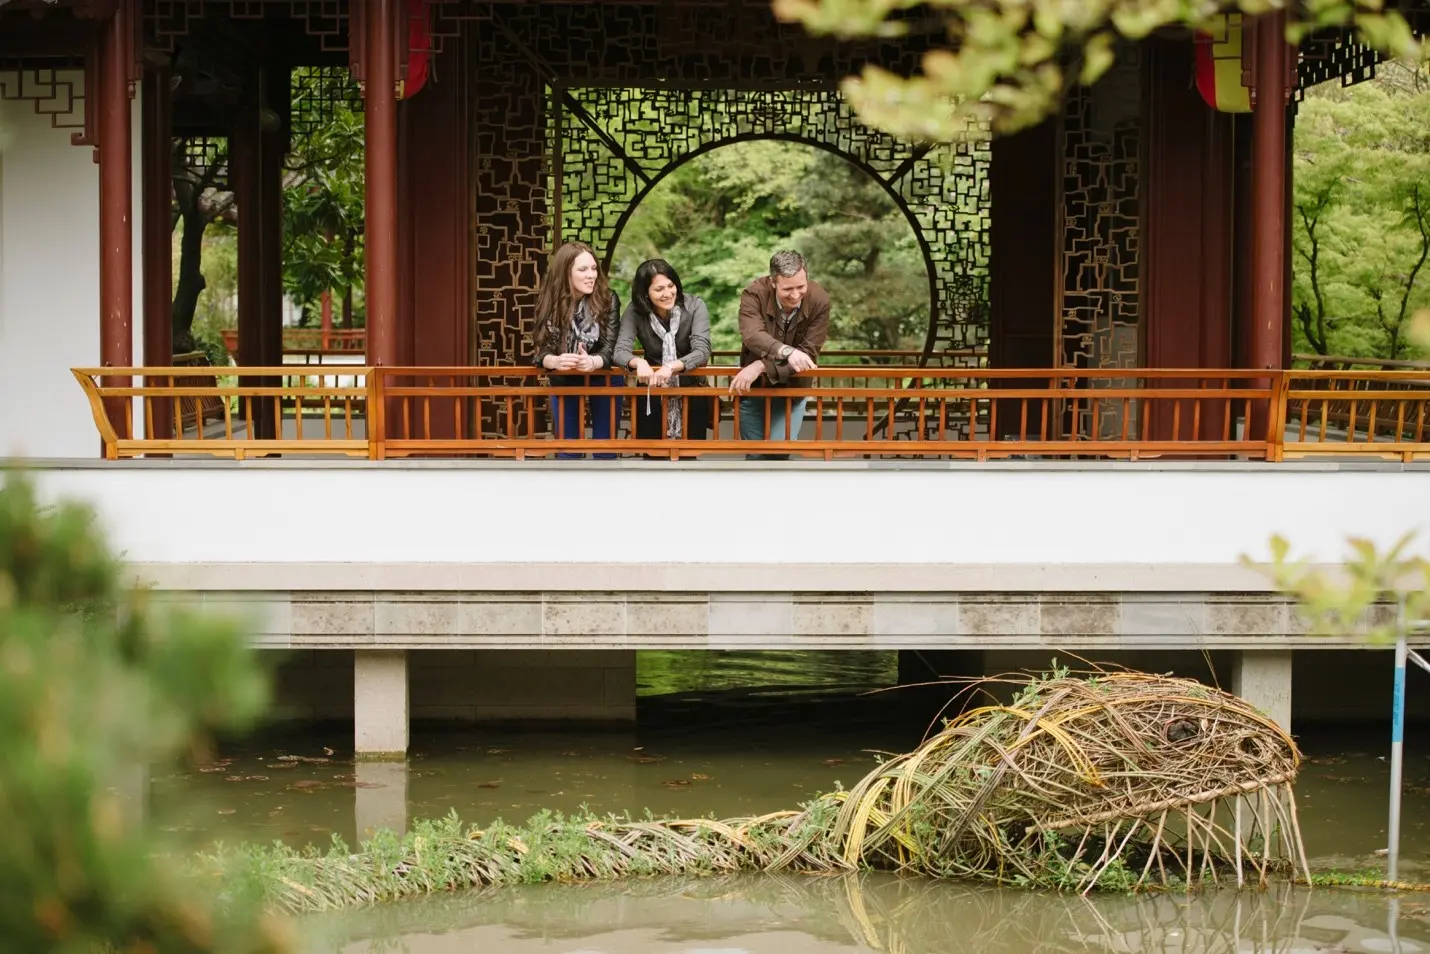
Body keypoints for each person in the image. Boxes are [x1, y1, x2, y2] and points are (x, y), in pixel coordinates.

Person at [728, 250, 830, 460]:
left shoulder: (819, 299)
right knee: (755, 456)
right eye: (788, 289)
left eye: (801, 287)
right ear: (773, 282)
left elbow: (808, 353)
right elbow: (752, 335)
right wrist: (786, 351)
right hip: (754, 387)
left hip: (793, 387)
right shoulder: (754, 294)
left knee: (779, 452)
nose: (795, 295)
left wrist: (760, 366)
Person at [532, 241, 622, 459]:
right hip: (564, 377)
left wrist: (593, 361)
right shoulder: (549, 301)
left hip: (603, 376)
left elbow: (611, 347)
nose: (591, 275)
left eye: (593, 268)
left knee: (605, 449)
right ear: (566, 272)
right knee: (568, 449)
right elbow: (541, 351)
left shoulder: (608, 299)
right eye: (583, 269)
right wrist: (555, 361)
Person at [613, 259, 713, 444]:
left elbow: (702, 350)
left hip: (691, 389)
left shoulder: (695, 305)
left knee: (690, 454)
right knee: (652, 453)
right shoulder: (635, 311)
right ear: (645, 293)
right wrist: (639, 362)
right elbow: (619, 351)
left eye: (671, 286)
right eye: (659, 289)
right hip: (651, 392)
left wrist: (671, 367)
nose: (667, 293)